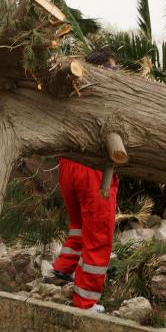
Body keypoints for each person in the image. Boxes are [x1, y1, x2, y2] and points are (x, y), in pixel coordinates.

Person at [46, 48, 120, 312]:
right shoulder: (106, 94)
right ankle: (86, 301)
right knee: (98, 233)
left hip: (68, 164)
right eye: (113, 70)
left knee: (79, 226)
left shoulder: (76, 91)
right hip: (93, 169)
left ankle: (62, 270)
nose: (117, 76)